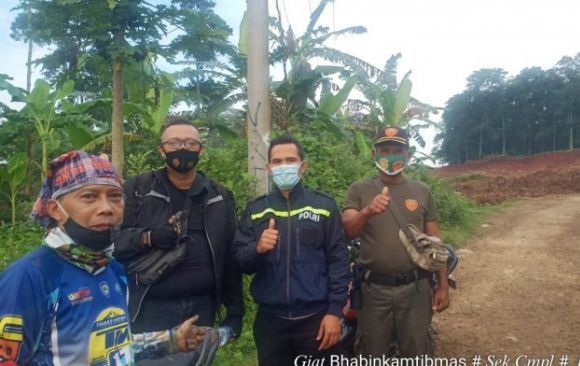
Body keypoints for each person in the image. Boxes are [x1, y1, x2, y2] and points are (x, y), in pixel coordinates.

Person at [0, 150, 206, 366]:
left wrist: (171, 340)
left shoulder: (112, 268)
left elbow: (114, 347)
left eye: (115, 196)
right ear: (55, 209)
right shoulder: (32, 276)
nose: (107, 208)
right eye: (89, 196)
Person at [113, 116, 243, 339]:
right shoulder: (138, 189)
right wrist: (148, 237)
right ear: (162, 151)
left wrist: (235, 311)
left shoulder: (219, 196)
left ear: (200, 150)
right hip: (150, 307)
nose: (182, 148)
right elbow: (111, 241)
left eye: (190, 143)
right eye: (174, 143)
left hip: (203, 307)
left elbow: (229, 256)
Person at [233, 135, 351, 366]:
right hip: (270, 323)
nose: (283, 166)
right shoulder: (257, 210)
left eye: (290, 160)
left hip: (316, 321)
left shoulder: (324, 206)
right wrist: (258, 249)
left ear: (302, 166)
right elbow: (240, 262)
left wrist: (334, 313)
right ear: (268, 168)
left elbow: (338, 261)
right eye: (277, 162)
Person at [342, 126, 450, 357]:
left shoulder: (422, 191)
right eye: (385, 149)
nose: (391, 155)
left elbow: (435, 242)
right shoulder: (359, 189)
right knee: (370, 354)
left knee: (418, 351)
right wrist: (367, 211)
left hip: (416, 289)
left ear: (407, 155)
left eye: (397, 150)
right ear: (374, 154)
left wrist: (442, 285)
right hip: (373, 291)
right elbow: (347, 231)